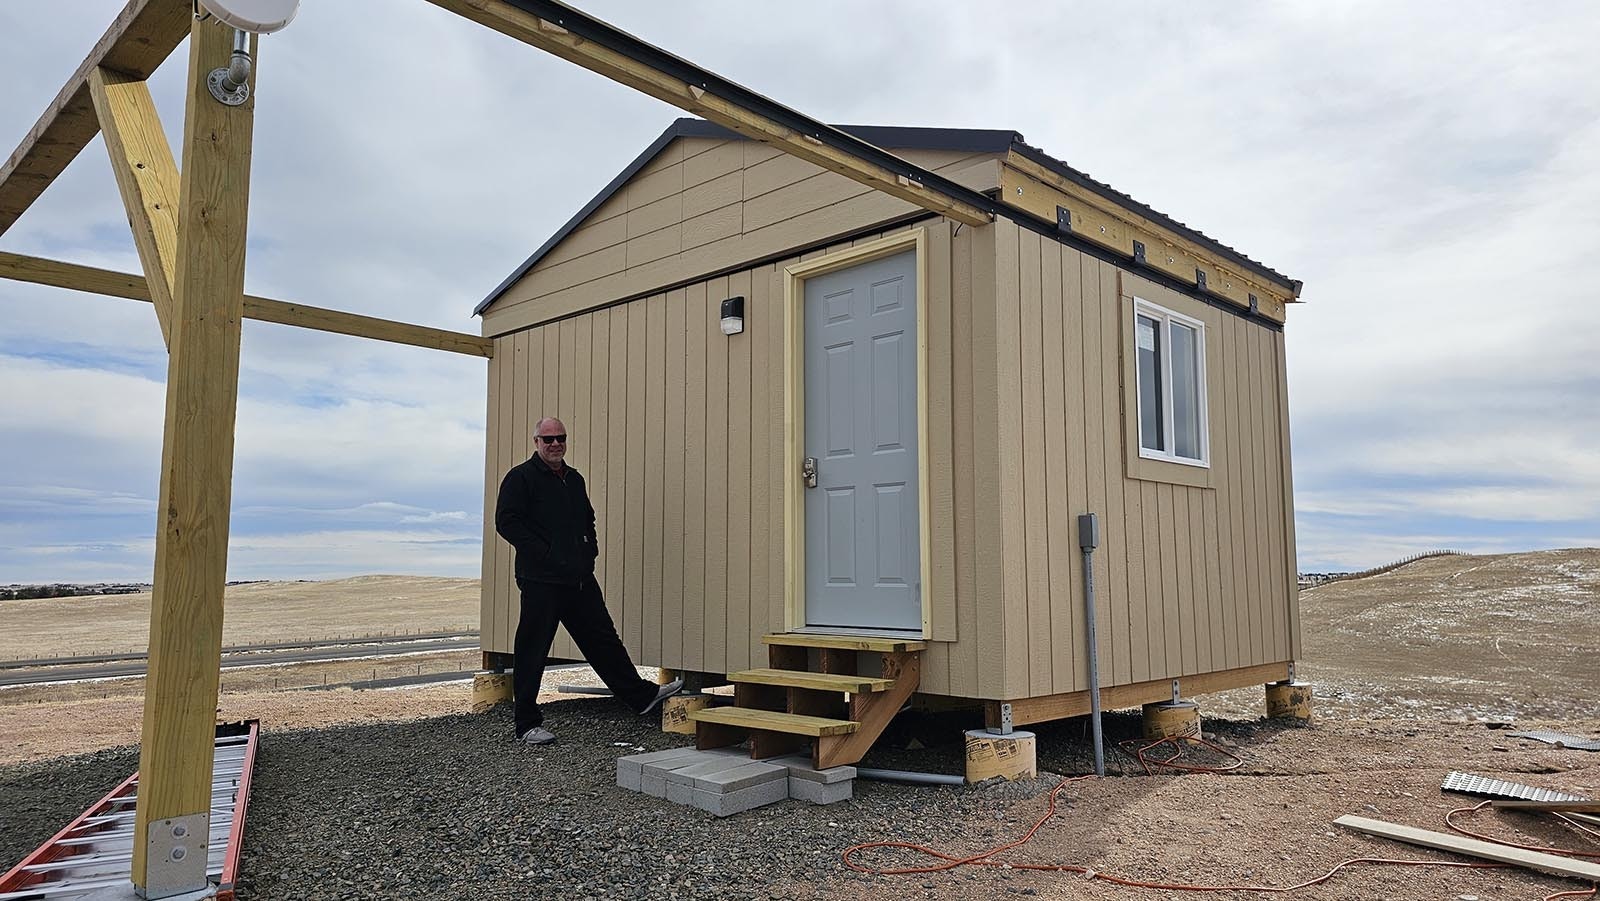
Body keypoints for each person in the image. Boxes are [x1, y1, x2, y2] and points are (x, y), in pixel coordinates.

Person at [495, 416, 682, 744]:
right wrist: (546, 553)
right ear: (536, 442)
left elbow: (587, 519)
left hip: (578, 577)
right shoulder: (521, 478)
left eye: (560, 438)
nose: (555, 444)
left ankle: (641, 697)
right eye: (548, 439)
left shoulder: (574, 479)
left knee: (603, 639)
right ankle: (526, 724)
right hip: (541, 580)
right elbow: (506, 522)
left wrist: (588, 552)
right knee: (532, 648)